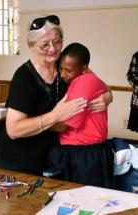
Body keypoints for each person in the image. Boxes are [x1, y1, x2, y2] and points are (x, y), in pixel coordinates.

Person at [0, 15, 112, 175]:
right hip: (19, 162)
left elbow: (97, 82)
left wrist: (108, 96)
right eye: (44, 44)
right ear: (32, 46)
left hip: (52, 159)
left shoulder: (64, 66)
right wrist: (55, 116)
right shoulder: (24, 77)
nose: (53, 49)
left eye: (57, 42)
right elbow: (13, 129)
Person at [45, 43, 113, 188]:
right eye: (61, 68)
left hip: (83, 154)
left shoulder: (84, 81)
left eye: (68, 70)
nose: (63, 74)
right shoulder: (85, 79)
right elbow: (105, 86)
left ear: (84, 68)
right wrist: (109, 94)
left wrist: (34, 123)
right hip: (87, 151)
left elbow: (62, 125)